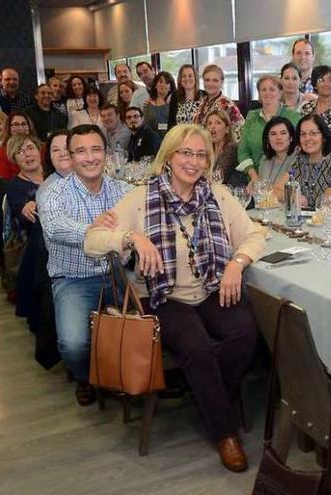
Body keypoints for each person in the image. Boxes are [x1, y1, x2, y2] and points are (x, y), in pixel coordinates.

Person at [84, 124, 265, 473]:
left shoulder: (218, 194)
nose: (193, 161)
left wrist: (236, 265)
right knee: (196, 346)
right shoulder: (142, 197)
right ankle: (225, 432)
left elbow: (254, 235)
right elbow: (93, 240)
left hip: (211, 287)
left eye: (201, 155)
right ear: (168, 156)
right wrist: (132, 236)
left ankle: (207, 398)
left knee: (245, 333)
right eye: (185, 153)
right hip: (161, 295)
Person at [38, 124, 133, 406]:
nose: (90, 157)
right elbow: (54, 228)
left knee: (157, 320)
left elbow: (143, 218)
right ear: (70, 156)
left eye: (96, 149)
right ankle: (85, 375)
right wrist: (96, 230)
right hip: (74, 279)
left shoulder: (123, 189)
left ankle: (139, 372)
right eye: (81, 151)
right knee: (73, 344)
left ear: (106, 153)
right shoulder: (53, 193)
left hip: (119, 274)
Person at [273, 113, 331, 206]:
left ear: (323, 137)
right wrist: (292, 196)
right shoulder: (299, 161)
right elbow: (275, 191)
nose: (307, 138)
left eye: (313, 133)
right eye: (303, 134)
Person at [237, 75, 301, 182]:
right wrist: (254, 177)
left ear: (280, 93)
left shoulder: (294, 117)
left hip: (286, 181)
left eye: (272, 89)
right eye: (263, 89)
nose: (267, 93)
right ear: (259, 94)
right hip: (254, 181)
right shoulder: (251, 117)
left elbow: (300, 152)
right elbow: (243, 152)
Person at [5, 134, 45, 238]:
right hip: (35, 237)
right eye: (20, 152)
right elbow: (24, 220)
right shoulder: (14, 186)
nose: (27, 154)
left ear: (38, 150)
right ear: (15, 159)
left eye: (30, 148)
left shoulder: (54, 175)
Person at [192, 64, 245, 142]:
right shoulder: (201, 102)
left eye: (215, 80)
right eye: (207, 80)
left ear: (222, 82)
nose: (210, 84)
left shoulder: (228, 105)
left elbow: (241, 132)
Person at [257, 117, 298, 200]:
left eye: (283, 133)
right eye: (273, 134)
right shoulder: (265, 160)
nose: (278, 137)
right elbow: (261, 190)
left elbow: (286, 193)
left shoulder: (297, 158)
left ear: (291, 138)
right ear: (268, 139)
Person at [0, 112, 38, 179]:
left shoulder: (39, 147)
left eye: (24, 124)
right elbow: (2, 184)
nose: (20, 128)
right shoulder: (2, 153)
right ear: (9, 129)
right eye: (16, 125)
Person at [206, 109, 243, 187]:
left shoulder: (232, 148)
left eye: (218, 123)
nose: (212, 126)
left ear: (227, 129)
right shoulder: (207, 149)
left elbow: (218, 178)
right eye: (209, 123)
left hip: (231, 194)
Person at [37, 129, 73, 203]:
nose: (62, 154)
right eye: (56, 150)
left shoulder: (92, 178)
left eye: (67, 148)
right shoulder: (47, 189)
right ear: (49, 156)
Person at [144, 71, 175, 137]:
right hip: (153, 142)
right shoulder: (148, 105)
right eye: (160, 82)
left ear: (170, 87)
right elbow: (146, 128)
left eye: (167, 83)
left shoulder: (174, 104)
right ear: (155, 84)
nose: (163, 85)